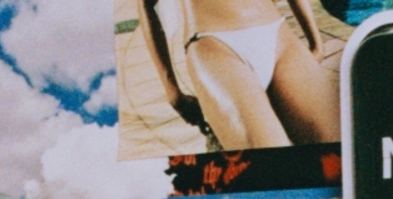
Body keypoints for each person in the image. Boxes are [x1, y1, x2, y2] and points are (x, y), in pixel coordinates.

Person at [139, 0, 340, 151]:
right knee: (273, 166)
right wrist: (171, 89)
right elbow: (146, 3)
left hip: (278, 36)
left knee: (339, 151)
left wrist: (317, 43)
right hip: (214, 44)